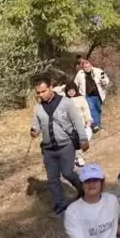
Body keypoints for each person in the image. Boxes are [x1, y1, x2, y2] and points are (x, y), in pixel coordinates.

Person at [31, 76, 89, 215]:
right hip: (48, 149)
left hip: (66, 145)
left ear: (51, 87)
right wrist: (34, 131)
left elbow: (77, 122)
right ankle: (59, 203)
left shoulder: (66, 103)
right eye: (38, 92)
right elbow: (36, 126)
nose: (40, 95)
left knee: (68, 172)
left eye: (43, 91)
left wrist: (83, 139)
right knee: (52, 178)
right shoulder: (38, 108)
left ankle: (83, 189)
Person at [74, 60, 109, 133]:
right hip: (87, 95)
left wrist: (104, 81)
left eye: (88, 66)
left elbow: (106, 80)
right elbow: (75, 84)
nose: (87, 68)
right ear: (83, 68)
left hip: (98, 94)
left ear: (91, 65)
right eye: (85, 67)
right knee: (92, 109)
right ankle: (95, 125)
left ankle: (99, 125)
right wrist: (75, 93)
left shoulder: (98, 71)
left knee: (98, 110)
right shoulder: (80, 74)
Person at [64, 81, 93, 167]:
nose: (71, 92)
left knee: (81, 142)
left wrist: (88, 120)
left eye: (73, 90)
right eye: (69, 91)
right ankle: (71, 159)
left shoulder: (81, 98)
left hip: (81, 124)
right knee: (70, 143)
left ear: (76, 90)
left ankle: (80, 157)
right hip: (69, 126)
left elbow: (86, 110)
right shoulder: (64, 100)